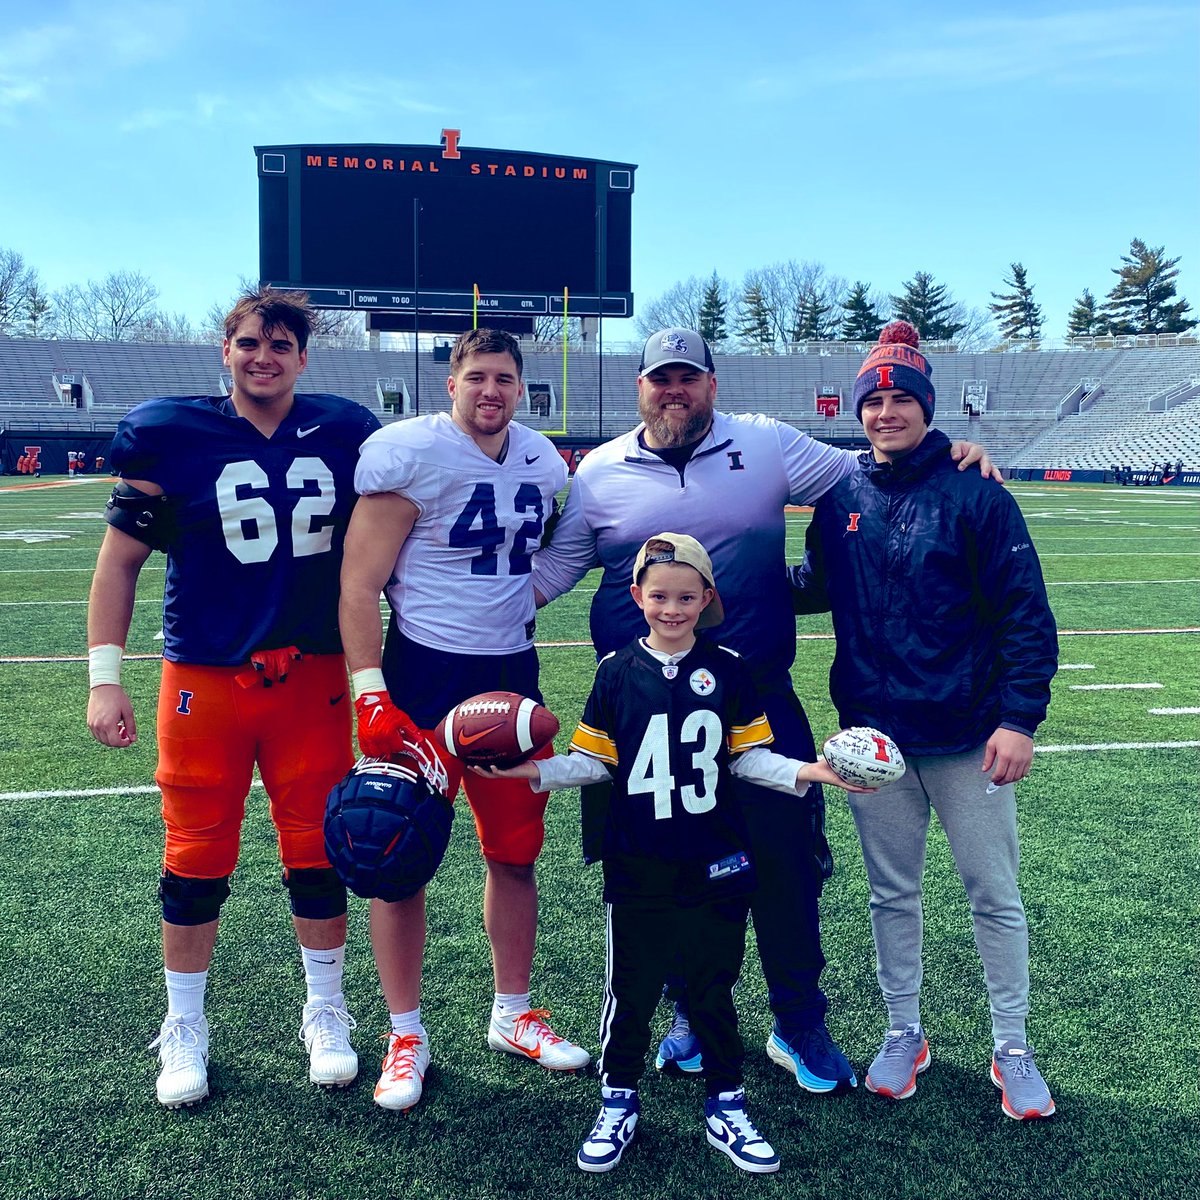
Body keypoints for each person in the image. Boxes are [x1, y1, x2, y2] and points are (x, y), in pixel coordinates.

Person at [531, 326, 997, 1094]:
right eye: (660, 379)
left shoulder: (768, 444)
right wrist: (446, 601)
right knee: (666, 867)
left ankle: (797, 1019)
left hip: (758, 694)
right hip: (645, 711)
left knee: (786, 864)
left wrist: (954, 457)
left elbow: (876, 467)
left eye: (688, 377)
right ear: (640, 387)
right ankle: (688, 1008)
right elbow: (553, 571)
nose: (673, 390)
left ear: (712, 384)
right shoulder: (601, 472)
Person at [483, 534, 871, 1173]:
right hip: (638, 858)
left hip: (716, 857)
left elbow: (750, 761)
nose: (671, 608)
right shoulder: (614, 672)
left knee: (715, 986)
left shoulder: (730, 668)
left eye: (685, 596)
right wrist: (532, 774)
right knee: (630, 990)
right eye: (659, 595)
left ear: (706, 599)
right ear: (636, 596)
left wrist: (812, 773)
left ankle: (727, 1101)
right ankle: (617, 1099)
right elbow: (594, 763)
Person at [85, 287, 380, 1107]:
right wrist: (105, 677)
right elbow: (119, 565)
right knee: (195, 852)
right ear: (226, 350)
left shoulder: (346, 428)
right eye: (250, 342)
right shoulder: (170, 432)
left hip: (312, 675)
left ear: (303, 358)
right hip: (206, 676)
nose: (264, 357)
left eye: (280, 346)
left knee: (318, 849)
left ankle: (325, 1008)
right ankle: (185, 1023)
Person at [790, 321, 1058, 1120]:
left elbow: (1024, 615)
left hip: (968, 734)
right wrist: (721, 589)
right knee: (890, 894)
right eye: (873, 399)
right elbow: (815, 581)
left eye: (901, 397)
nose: (884, 411)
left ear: (927, 406)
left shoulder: (977, 493)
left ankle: (1011, 1045)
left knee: (993, 893)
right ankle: (904, 1030)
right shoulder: (841, 494)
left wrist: (1020, 718)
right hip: (875, 739)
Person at [338, 326, 590, 1114]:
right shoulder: (408, 453)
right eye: (477, 376)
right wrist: (370, 691)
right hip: (423, 673)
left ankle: (512, 1014)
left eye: (506, 379)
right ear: (450, 384)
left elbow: (538, 560)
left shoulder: (541, 460)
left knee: (516, 853)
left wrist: (527, 597)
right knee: (394, 854)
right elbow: (357, 583)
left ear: (523, 388)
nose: (492, 391)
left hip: (512, 673)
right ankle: (404, 1031)